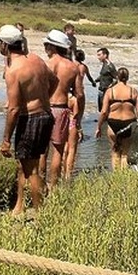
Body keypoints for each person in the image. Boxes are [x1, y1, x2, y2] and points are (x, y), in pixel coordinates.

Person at [0, 24, 56, 216]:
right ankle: (19, 208)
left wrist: (5, 140)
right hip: (46, 116)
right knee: (25, 165)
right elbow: (54, 81)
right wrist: (42, 99)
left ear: (5, 45)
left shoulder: (14, 71)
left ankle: (40, 216)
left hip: (31, 119)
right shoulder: (36, 59)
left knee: (32, 171)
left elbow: (13, 109)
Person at [41, 29, 84, 192]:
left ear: (52, 46)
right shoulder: (72, 67)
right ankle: (53, 187)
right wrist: (77, 116)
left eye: (46, 45)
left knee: (42, 151)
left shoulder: (45, 64)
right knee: (58, 151)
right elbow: (79, 94)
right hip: (61, 108)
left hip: (44, 108)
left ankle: (40, 185)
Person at [96, 67, 138, 170]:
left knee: (115, 151)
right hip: (129, 122)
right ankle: (124, 177)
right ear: (127, 77)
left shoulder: (110, 91)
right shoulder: (133, 91)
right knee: (125, 153)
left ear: (117, 77)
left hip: (113, 123)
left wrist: (98, 127)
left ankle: (116, 177)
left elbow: (104, 112)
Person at [95, 47, 117, 114]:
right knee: (101, 110)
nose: (98, 57)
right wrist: (95, 81)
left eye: (99, 55)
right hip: (101, 91)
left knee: (105, 111)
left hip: (106, 92)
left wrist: (110, 87)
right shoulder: (104, 64)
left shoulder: (110, 66)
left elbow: (117, 78)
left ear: (105, 55)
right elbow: (103, 76)